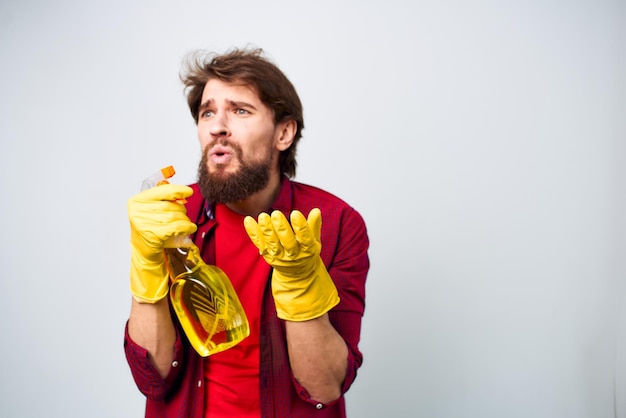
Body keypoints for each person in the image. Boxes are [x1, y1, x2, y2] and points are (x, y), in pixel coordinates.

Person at [124, 47, 370, 418]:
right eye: (208, 112)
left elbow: (324, 387)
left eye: (240, 110)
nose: (217, 126)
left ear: (283, 133)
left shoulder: (334, 223)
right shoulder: (172, 214)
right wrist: (146, 262)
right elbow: (152, 378)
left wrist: (303, 291)